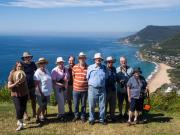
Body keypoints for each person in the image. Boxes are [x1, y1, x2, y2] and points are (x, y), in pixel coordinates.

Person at [87, 53, 107, 125]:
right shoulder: (90, 67)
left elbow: (106, 77)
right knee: (92, 105)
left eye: (100, 59)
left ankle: (102, 119)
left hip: (102, 89)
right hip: (92, 89)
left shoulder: (104, 68)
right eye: (97, 59)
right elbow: (87, 78)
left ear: (101, 60)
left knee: (102, 105)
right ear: (95, 60)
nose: (98, 60)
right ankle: (91, 119)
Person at [8, 62, 29, 131]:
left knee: (23, 109)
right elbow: (9, 86)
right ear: (16, 67)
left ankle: (20, 121)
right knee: (19, 109)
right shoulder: (12, 74)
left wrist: (27, 93)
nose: (20, 68)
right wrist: (16, 83)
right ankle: (20, 124)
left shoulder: (23, 74)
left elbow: (25, 85)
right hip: (15, 94)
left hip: (24, 94)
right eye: (18, 66)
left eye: (21, 66)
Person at [34, 57, 52, 124]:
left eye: (44, 63)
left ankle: (43, 116)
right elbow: (36, 84)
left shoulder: (46, 70)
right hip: (41, 93)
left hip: (47, 92)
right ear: (39, 64)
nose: (43, 64)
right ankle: (37, 117)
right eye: (41, 63)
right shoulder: (37, 72)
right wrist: (41, 93)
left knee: (44, 105)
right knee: (41, 105)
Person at [51, 57, 69, 122]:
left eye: (62, 62)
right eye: (59, 63)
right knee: (61, 101)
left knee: (63, 101)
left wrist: (65, 83)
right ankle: (62, 115)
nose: (61, 64)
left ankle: (59, 113)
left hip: (64, 87)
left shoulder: (65, 69)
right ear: (57, 63)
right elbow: (53, 81)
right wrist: (60, 84)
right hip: (57, 88)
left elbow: (67, 78)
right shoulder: (54, 70)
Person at [72, 52, 88, 123]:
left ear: (85, 59)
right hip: (76, 90)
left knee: (83, 104)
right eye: (81, 58)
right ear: (79, 59)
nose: (82, 59)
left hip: (84, 90)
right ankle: (76, 115)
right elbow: (73, 77)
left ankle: (83, 116)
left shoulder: (88, 67)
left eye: (83, 58)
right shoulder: (74, 67)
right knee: (76, 104)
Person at [21, 52, 37, 120]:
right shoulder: (21, 64)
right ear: (24, 58)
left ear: (30, 57)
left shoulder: (33, 64)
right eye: (26, 57)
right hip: (24, 86)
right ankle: (25, 114)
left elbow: (36, 71)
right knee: (24, 100)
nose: (27, 58)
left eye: (28, 57)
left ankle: (34, 113)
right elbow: (18, 71)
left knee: (33, 100)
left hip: (32, 85)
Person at [105, 56, 117, 122]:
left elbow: (115, 78)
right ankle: (104, 117)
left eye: (111, 62)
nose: (110, 63)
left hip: (113, 89)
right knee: (105, 104)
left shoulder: (114, 69)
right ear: (107, 62)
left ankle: (112, 116)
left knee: (113, 104)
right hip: (106, 90)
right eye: (109, 62)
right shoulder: (104, 69)